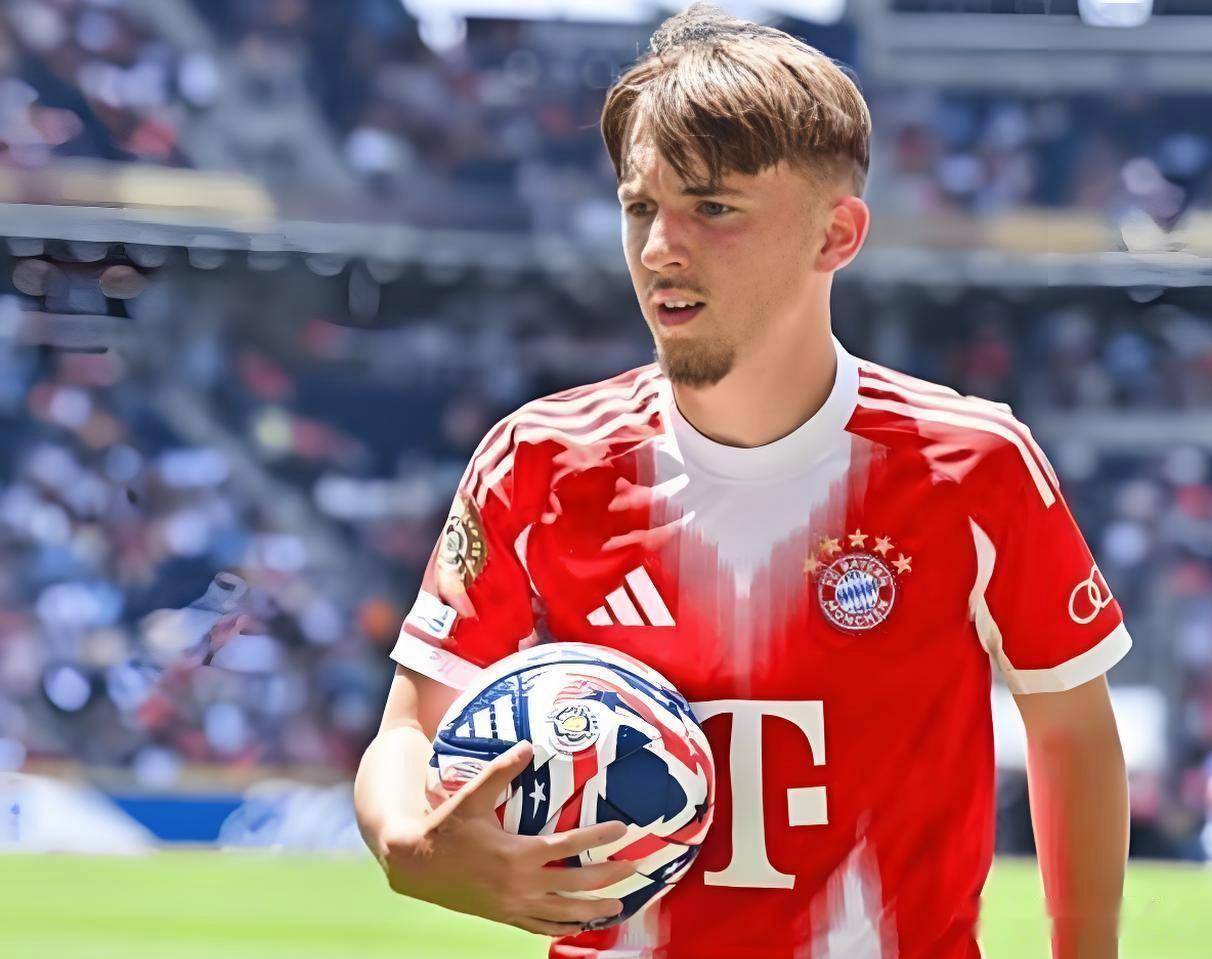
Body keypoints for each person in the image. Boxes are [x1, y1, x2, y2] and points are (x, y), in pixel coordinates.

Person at [354, 5, 1131, 958]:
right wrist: (408, 841)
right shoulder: (539, 462)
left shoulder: (973, 464)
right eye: (640, 207)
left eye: (713, 207)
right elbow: (409, 727)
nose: (659, 248)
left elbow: (1070, 729)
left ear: (835, 234)